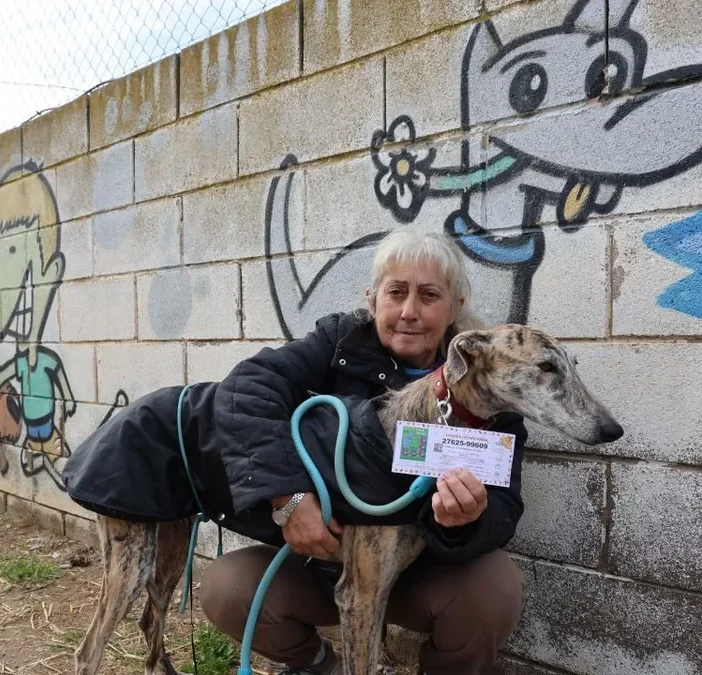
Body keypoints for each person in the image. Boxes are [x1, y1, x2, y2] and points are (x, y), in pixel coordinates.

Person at [197, 229, 528, 675]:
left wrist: (466, 521)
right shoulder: (338, 344)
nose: (409, 312)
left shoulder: (485, 384)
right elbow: (246, 390)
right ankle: (319, 666)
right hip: (327, 563)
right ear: (373, 301)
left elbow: (502, 509)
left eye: (429, 295)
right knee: (227, 587)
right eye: (396, 293)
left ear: (456, 307)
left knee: (494, 589)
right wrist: (286, 497)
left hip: (425, 574)